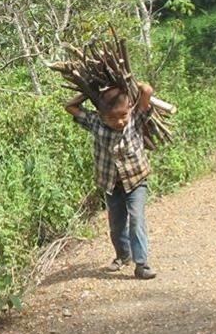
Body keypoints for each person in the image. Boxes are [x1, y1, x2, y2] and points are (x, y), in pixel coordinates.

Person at [64, 82, 157, 279]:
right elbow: (70, 107)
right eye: (112, 117)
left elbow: (147, 92)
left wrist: (136, 85)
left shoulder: (135, 118)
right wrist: (88, 92)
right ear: (100, 114)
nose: (119, 121)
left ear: (129, 108)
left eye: (123, 115)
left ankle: (142, 264)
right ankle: (123, 255)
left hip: (135, 180)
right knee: (116, 225)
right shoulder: (95, 122)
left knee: (137, 219)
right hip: (111, 184)